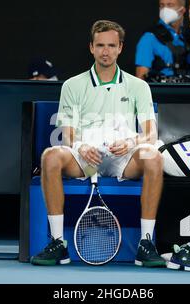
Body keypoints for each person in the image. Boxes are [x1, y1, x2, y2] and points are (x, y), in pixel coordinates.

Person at [30, 20, 166, 267]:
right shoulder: (72, 85)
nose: (106, 51)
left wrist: (130, 141)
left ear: (120, 48)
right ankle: (58, 243)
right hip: (86, 157)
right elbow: (68, 134)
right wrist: (81, 146)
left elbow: (150, 134)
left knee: (153, 157)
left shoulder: (138, 86)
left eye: (111, 46)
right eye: (100, 45)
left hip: (123, 156)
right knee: (50, 156)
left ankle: (146, 243)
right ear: (91, 47)